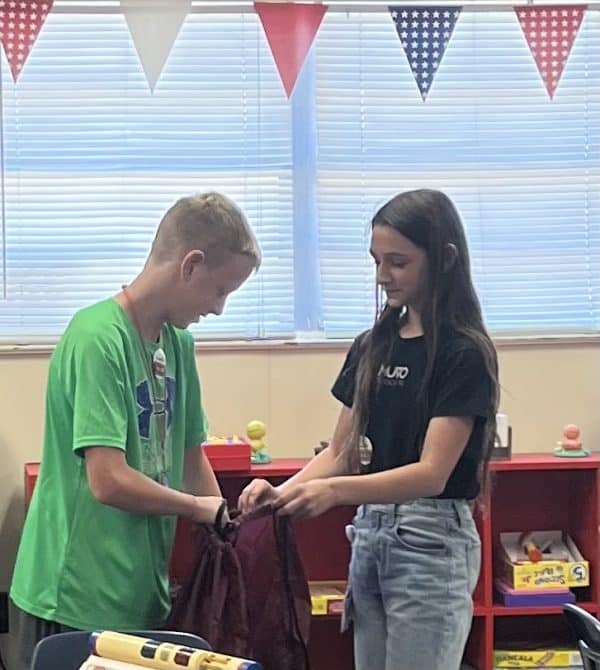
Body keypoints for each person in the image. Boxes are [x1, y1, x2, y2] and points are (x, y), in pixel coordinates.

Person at [239, 188, 499, 670]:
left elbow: (431, 474)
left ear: (444, 259)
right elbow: (341, 452)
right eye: (377, 261)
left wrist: (335, 492)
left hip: (430, 543)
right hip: (371, 537)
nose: (382, 276)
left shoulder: (463, 353)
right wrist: (281, 494)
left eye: (398, 263)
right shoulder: (373, 344)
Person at [9, 192, 261, 670]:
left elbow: (189, 457)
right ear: (190, 265)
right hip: (72, 598)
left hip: (141, 594)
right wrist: (196, 508)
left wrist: (224, 524)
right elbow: (108, 480)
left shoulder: (178, 345)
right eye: (219, 291)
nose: (219, 309)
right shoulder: (97, 338)